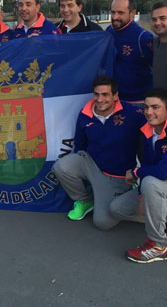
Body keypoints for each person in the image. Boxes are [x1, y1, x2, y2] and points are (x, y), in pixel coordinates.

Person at [108, 88, 167, 263]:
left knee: (151, 183)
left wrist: (136, 173)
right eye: (146, 107)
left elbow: (164, 171)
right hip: (165, 189)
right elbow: (148, 165)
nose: (149, 112)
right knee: (117, 208)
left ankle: (157, 245)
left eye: (155, 107)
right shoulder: (148, 130)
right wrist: (140, 194)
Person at [52, 76, 145, 230]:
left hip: (116, 176)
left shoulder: (133, 113)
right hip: (92, 165)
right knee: (62, 166)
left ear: (115, 96)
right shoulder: (85, 113)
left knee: (103, 222)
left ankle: (160, 215)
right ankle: (85, 199)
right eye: (97, 94)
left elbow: (158, 122)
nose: (100, 99)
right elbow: (80, 146)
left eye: (105, 94)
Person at [107, 0, 154, 103]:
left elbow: (163, 64)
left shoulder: (143, 38)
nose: (115, 17)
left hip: (138, 102)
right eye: (113, 12)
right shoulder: (109, 31)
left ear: (132, 13)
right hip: (115, 100)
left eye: (120, 13)